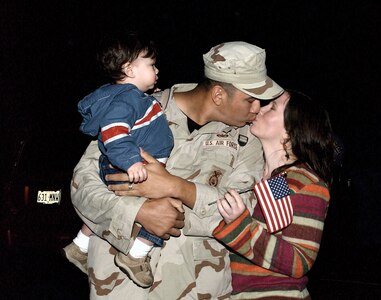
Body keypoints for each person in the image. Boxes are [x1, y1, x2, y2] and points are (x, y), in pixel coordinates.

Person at [70, 41, 284, 299]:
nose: (256, 109)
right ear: (218, 95)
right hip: (120, 287)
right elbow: (83, 183)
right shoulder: (137, 106)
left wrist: (177, 188)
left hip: (196, 287)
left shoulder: (247, 140)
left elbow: (246, 210)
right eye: (250, 99)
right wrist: (138, 212)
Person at [62, 31, 174, 288]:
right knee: (168, 205)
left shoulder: (130, 97)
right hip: (131, 166)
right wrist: (131, 161)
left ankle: (80, 246)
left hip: (127, 164)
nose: (157, 70)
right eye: (151, 65)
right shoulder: (127, 98)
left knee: (113, 203)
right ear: (130, 69)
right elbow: (113, 131)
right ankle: (135, 256)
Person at [212, 90, 335, 299]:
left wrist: (239, 226)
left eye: (273, 107)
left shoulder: (305, 183)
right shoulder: (258, 175)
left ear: (289, 133)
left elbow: (299, 261)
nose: (260, 108)